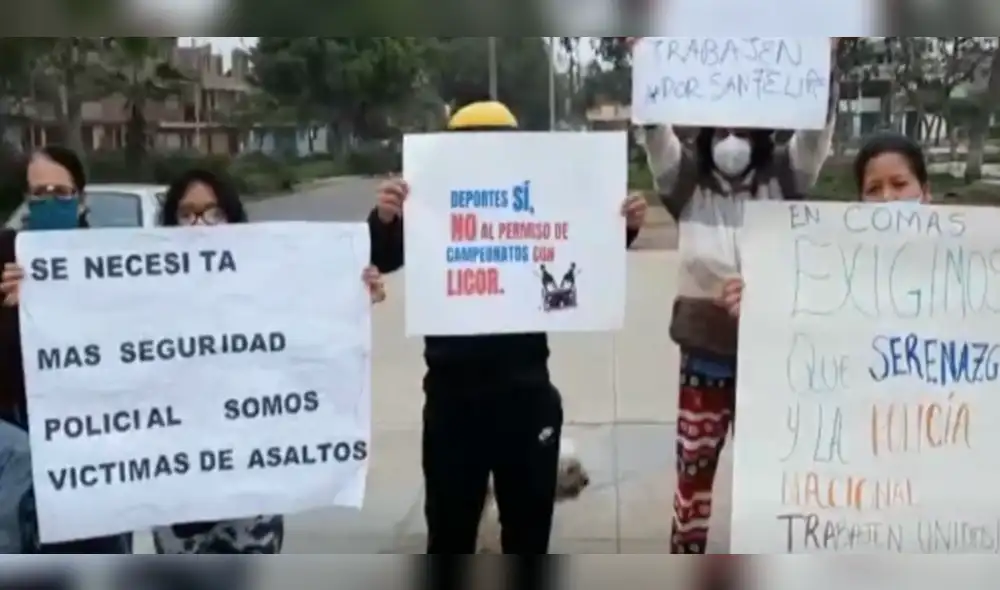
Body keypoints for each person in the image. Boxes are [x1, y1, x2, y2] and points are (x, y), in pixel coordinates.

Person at [369, 99, 646, 564]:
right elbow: (382, 255)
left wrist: (624, 224)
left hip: (526, 394)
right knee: (450, 534)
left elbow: (579, 241)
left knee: (528, 536)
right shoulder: (429, 202)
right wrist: (385, 218)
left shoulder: (536, 194)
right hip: (451, 401)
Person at [633, 37, 840, 554]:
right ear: (706, 134)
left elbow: (817, 136)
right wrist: (646, 69)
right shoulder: (684, 182)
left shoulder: (786, 177)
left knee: (767, 476)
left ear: (761, 134)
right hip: (704, 359)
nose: (731, 140)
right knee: (693, 481)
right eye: (721, 130)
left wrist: (826, 64)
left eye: (742, 130)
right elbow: (655, 137)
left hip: (769, 360)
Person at [149, 168, 385, 554]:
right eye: (187, 213)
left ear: (233, 219)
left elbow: (313, 330)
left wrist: (354, 293)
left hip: (252, 482)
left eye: (213, 213)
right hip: (180, 490)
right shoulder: (143, 290)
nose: (201, 224)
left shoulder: (264, 280)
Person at [0, 145, 133, 553]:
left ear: (81, 201)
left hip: (94, 455)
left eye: (62, 192)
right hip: (20, 457)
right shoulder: (5, 259)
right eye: (39, 193)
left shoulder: (112, 263)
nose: (50, 202)